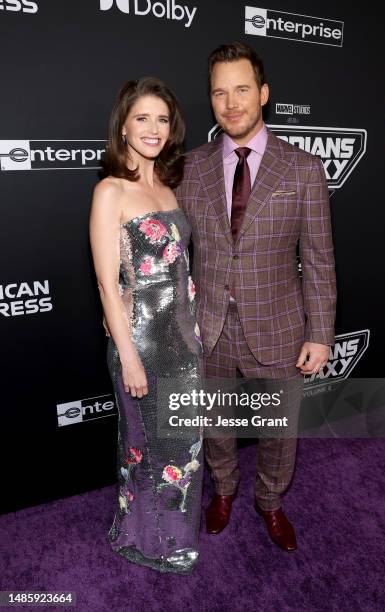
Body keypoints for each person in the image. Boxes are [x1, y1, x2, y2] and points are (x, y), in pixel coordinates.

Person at [176, 43, 337, 552]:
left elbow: (319, 260)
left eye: (242, 89)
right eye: (219, 92)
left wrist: (321, 333)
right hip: (210, 327)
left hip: (281, 326)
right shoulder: (189, 168)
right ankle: (223, 491)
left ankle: (270, 501)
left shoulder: (303, 169)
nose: (231, 102)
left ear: (263, 94)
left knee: (278, 431)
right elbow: (168, 247)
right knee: (217, 424)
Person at [89, 77, 204, 574]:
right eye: (143, 118)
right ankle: (148, 539)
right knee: (146, 448)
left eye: (162, 119)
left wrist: (196, 334)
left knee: (184, 443)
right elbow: (107, 286)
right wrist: (129, 356)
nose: (153, 129)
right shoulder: (110, 190)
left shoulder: (166, 186)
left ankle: (178, 531)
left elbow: (182, 270)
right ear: (124, 125)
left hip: (183, 338)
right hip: (140, 341)